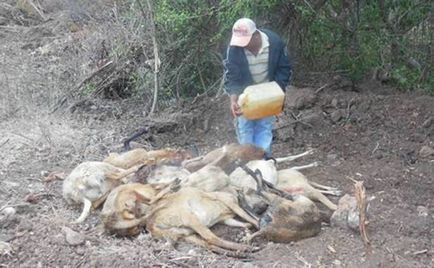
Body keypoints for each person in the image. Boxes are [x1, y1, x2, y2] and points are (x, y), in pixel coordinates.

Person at [223, 18, 292, 157]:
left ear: (255, 36)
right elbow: (232, 76)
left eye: (245, 42)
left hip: (268, 93)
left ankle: (263, 160)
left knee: (264, 126)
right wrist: (233, 99)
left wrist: (277, 92)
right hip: (245, 95)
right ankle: (247, 160)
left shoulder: (275, 43)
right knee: (245, 127)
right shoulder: (234, 49)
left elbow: (284, 69)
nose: (242, 46)